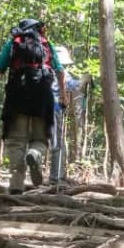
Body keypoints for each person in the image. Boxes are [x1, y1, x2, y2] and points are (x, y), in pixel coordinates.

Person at [0, 18, 65, 194]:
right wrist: (63, 94)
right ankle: (35, 153)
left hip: (17, 95)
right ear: (39, 29)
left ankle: (16, 183)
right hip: (43, 95)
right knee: (40, 138)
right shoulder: (46, 44)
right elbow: (60, 70)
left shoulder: (14, 43)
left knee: (16, 141)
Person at [50, 44, 81, 184]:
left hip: (35, 110)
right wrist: (85, 79)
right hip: (53, 109)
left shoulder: (42, 69)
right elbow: (73, 85)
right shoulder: (61, 71)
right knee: (58, 144)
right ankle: (56, 178)